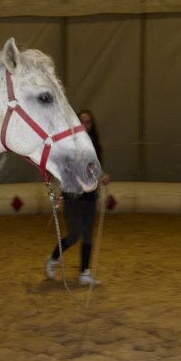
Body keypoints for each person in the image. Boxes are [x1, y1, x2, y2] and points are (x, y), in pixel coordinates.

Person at [44, 109, 111, 285]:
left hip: (90, 196)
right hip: (72, 195)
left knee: (88, 234)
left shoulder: (94, 145)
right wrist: (59, 192)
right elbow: (64, 170)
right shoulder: (69, 145)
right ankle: (53, 259)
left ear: (92, 125)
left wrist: (102, 175)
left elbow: (94, 168)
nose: (85, 125)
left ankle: (84, 273)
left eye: (88, 122)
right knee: (74, 235)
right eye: (82, 121)